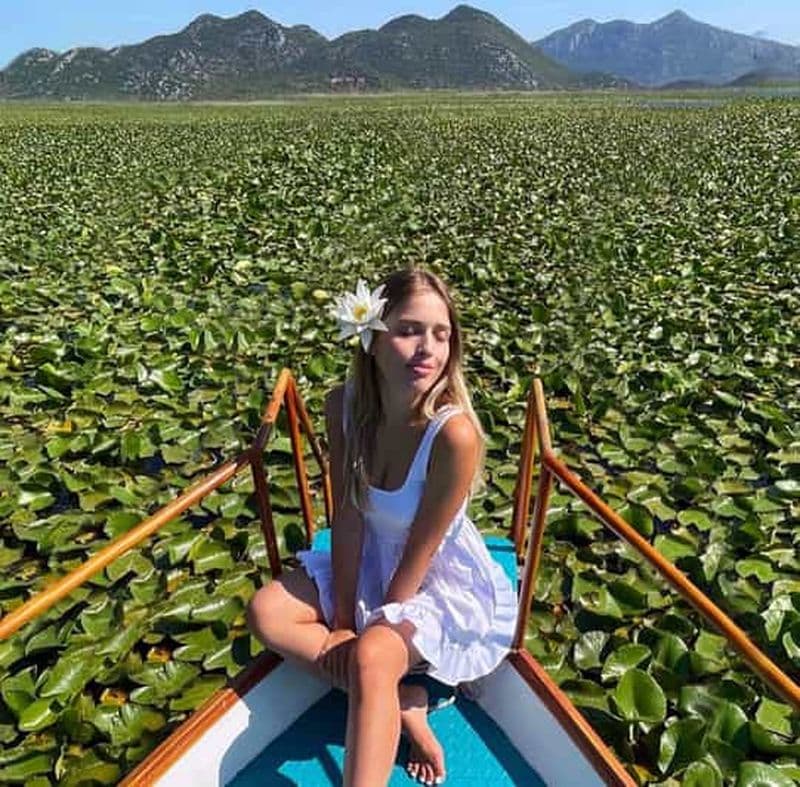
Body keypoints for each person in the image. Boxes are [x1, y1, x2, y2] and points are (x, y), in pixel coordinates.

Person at [246, 267, 517, 786]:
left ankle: (383, 693)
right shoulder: (342, 406)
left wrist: (375, 635)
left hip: (433, 576)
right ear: (370, 338)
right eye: (410, 330)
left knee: (372, 655)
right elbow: (347, 516)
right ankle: (404, 701)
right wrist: (345, 618)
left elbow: (423, 547)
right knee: (267, 612)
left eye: (441, 334)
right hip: (370, 552)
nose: (428, 349)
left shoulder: (453, 435)